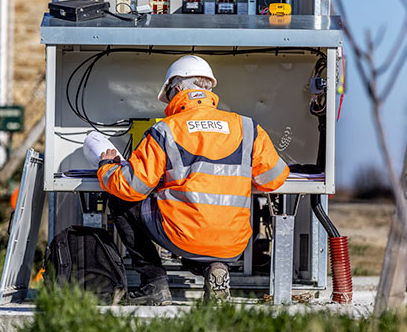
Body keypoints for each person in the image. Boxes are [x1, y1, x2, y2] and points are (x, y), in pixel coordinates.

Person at [97, 55, 289, 305]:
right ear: (208, 88)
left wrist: (107, 167)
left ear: (176, 89)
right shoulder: (247, 127)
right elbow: (273, 180)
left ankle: (153, 283)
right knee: (201, 227)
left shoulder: (166, 129)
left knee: (121, 198)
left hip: (183, 235)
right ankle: (215, 269)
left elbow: (132, 186)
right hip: (232, 242)